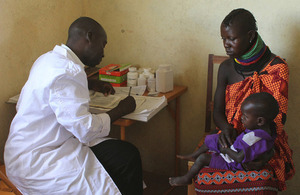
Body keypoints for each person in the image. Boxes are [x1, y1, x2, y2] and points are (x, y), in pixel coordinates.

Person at [4, 17, 143, 195]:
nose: (103, 53)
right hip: (38, 163)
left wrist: (90, 83)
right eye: (103, 44)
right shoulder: (68, 71)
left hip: (21, 152)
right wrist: (122, 109)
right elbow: (85, 130)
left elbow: (58, 88)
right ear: (89, 37)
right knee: (127, 157)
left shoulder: (48, 59)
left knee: (121, 154)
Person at [212, 8, 294, 191]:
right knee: (209, 165)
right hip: (231, 136)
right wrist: (226, 129)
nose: (226, 44)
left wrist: (265, 153)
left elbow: (278, 121)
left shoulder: (277, 68)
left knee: (261, 175)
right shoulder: (226, 68)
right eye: (223, 39)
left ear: (250, 36)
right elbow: (217, 111)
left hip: (266, 140)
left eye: (232, 39)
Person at [169, 92, 278, 186]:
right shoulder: (268, 131)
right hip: (236, 148)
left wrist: (225, 150)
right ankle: (194, 155)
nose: (241, 118)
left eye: (245, 116)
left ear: (260, 121)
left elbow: (239, 158)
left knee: (203, 158)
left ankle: (187, 178)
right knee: (214, 138)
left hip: (233, 163)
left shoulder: (253, 138)